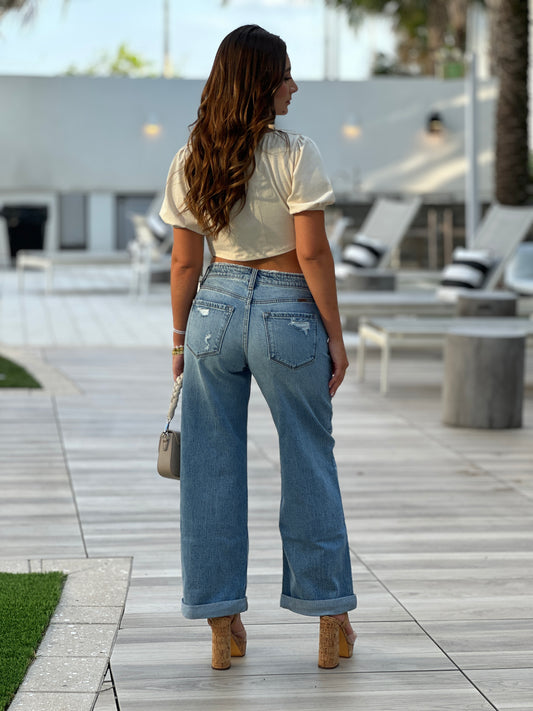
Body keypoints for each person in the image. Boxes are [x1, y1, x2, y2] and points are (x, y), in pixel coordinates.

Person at [159, 24, 356, 671]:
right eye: (285, 75)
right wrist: (333, 332)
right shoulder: (295, 152)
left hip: (212, 310)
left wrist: (181, 337)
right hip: (286, 310)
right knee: (308, 459)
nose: (293, 86)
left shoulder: (192, 157)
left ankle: (223, 626)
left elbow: (184, 264)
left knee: (210, 471)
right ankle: (330, 622)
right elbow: (311, 252)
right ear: (261, 83)